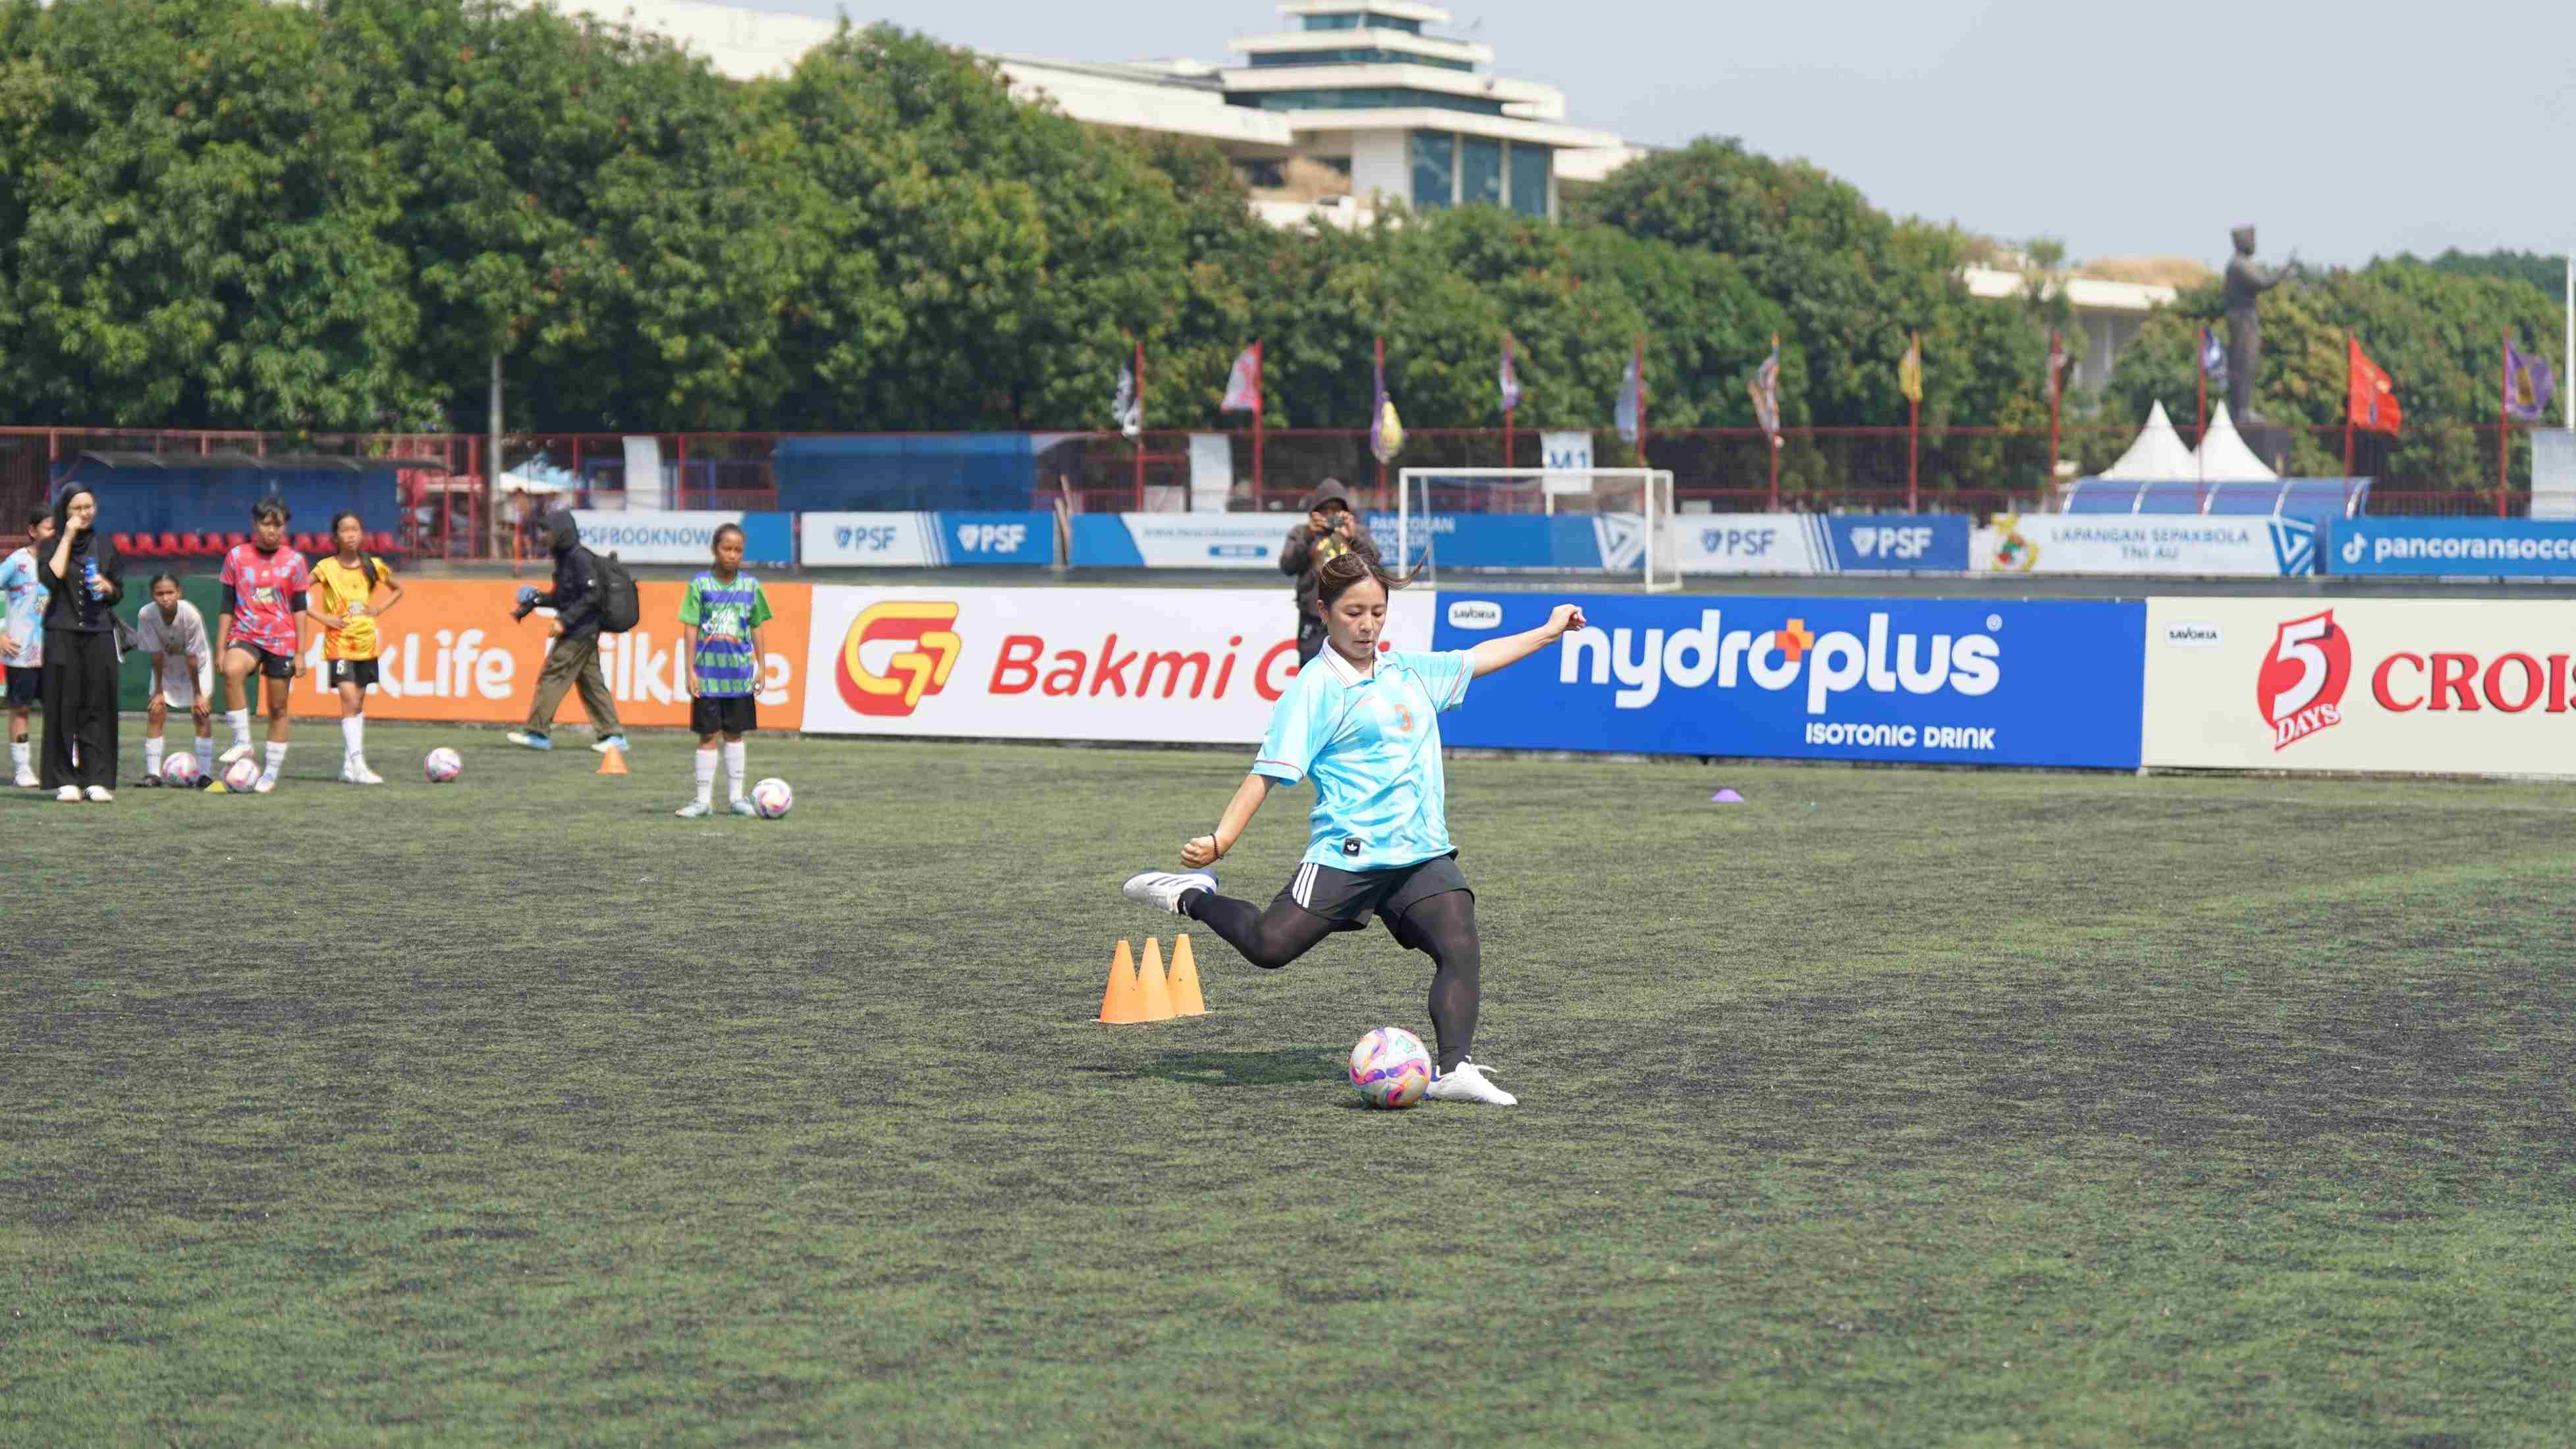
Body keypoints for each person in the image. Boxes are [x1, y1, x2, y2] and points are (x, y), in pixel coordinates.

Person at [1118, 551, 1587, 1107]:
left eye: (1377, 613)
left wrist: (1549, 631)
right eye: (1353, 613)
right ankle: (1191, 897)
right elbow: (1266, 774)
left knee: (1459, 943)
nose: (1367, 626)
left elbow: (1477, 657)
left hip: (1419, 854)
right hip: (1349, 854)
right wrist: (1221, 841)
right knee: (1269, 947)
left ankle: (1455, 1068)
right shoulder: (1313, 689)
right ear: (1324, 611)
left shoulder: (1406, 672)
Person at [32, 483, 124, 802]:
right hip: (62, 633)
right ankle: (64, 779)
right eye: (76, 508)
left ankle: (95, 778)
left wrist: (107, 586)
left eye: (88, 507)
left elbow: (119, 592)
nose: (84, 514)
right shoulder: (51, 544)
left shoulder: (106, 545)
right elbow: (51, 577)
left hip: (99, 634)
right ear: (65, 512)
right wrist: (68, 536)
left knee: (97, 705)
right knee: (61, 705)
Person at [507, 510, 627, 755]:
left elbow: (593, 595)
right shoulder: (565, 559)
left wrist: (564, 620)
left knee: (553, 675)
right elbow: (565, 597)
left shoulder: (579, 559)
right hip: (582, 629)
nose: (544, 536)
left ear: (562, 532)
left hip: (580, 630)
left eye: (548, 531)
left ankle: (537, 732)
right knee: (591, 683)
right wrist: (539, 599)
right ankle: (614, 736)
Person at [674, 522, 772, 818]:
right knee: (707, 736)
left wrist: (762, 667)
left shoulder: (751, 587)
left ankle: (737, 798)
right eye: (726, 548)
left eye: (738, 550)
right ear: (715, 550)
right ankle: (702, 801)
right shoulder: (700, 585)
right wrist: (690, 669)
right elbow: (690, 627)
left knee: (735, 734)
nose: (732, 555)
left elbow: (756, 626)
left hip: (739, 676)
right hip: (708, 677)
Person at [213, 499, 310, 794]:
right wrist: (220, 647)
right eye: (266, 523)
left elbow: (300, 609)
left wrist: (302, 652)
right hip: (247, 635)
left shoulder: (295, 562)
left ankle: (270, 773)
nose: (271, 530)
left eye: (277, 524)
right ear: (255, 524)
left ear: (285, 527)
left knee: (278, 708)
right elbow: (227, 605)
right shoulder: (236, 557)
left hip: (282, 640)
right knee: (232, 670)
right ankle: (242, 742)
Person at [306, 511, 404, 785]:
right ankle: (359, 765)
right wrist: (322, 617)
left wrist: (377, 609)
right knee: (349, 700)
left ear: (361, 535)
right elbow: (297, 591)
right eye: (345, 530)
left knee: (357, 704)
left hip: (366, 644)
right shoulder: (326, 567)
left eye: (355, 529)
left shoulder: (372, 566)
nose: (350, 534)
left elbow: (398, 589)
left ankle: (348, 766)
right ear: (335, 537)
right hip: (338, 644)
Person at [1278, 478, 1377, 666]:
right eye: (1325, 510)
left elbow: (1375, 563)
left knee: (1351, 673)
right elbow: (1287, 566)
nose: (1331, 515)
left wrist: (1354, 538)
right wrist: (1308, 535)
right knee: (1310, 673)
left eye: (1336, 511)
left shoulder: (1358, 532)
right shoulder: (1302, 533)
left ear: (1346, 512)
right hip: (1314, 617)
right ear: (1315, 512)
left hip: (1351, 617)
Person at [134, 574, 214, 786]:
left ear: (179, 593)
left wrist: (198, 694)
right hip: (167, 666)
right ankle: (153, 774)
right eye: (160, 593)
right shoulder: (146, 615)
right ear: (153, 596)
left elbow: (192, 657)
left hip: (198, 666)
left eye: (170, 592)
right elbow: (156, 655)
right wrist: (159, 691)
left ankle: (204, 775)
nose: (166, 598)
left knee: (201, 712)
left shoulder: (191, 615)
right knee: (156, 710)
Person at [1, 505, 55, 787]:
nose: (53, 533)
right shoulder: (18, 562)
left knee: (60, 709)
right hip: (21, 651)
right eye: (48, 527)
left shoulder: (63, 562)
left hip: (57, 651)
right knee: (20, 709)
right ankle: (23, 769)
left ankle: (63, 766)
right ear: (33, 531)